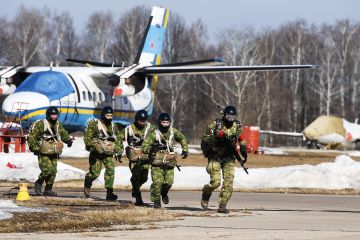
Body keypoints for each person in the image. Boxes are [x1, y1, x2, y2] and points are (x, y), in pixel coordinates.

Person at [200, 106, 247, 213]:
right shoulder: (217, 124)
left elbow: (241, 138)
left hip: (229, 157)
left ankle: (222, 205)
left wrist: (244, 151)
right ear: (224, 115)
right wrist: (208, 150)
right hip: (215, 156)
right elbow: (206, 138)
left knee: (228, 182)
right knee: (215, 182)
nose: (230, 118)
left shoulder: (237, 125)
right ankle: (206, 193)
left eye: (233, 116)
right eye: (228, 116)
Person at [142, 113, 188, 208]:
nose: (165, 124)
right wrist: (152, 147)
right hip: (157, 162)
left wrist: (185, 150)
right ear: (159, 122)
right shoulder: (154, 133)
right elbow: (144, 147)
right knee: (157, 182)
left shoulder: (173, 132)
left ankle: (164, 192)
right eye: (164, 122)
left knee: (169, 183)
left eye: (167, 122)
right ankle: (156, 200)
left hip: (169, 161)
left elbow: (183, 139)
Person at [28, 106, 73, 196]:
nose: (54, 116)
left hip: (54, 151)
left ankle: (48, 189)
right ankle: (39, 182)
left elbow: (63, 133)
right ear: (48, 115)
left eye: (55, 114)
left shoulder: (58, 124)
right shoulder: (41, 124)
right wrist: (34, 148)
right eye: (52, 114)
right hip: (43, 152)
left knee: (53, 172)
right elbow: (32, 137)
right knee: (47, 171)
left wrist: (68, 140)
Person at [83, 106, 122, 201]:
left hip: (108, 153)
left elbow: (119, 140)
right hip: (96, 153)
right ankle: (87, 183)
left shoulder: (114, 126)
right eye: (107, 115)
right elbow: (87, 137)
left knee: (110, 170)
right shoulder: (94, 124)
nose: (109, 117)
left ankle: (109, 193)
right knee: (95, 174)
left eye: (111, 115)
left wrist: (119, 152)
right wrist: (93, 145)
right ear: (103, 115)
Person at [118, 110, 156, 206]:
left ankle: (135, 188)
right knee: (136, 176)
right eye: (140, 121)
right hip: (134, 158)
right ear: (136, 120)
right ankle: (138, 199)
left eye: (144, 121)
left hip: (146, 157)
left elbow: (159, 136)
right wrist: (118, 151)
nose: (142, 123)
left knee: (144, 178)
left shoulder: (151, 128)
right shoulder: (129, 129)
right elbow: (119, 138)